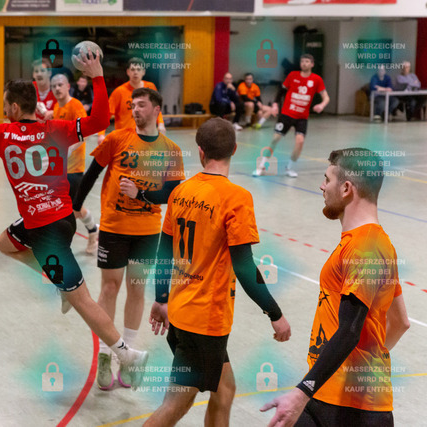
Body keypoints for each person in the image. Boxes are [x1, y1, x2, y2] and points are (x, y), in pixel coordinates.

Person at [0, 51, 149, 387]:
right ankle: (58, 281)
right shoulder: (56, 129)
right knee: (4, 243)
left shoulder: (1, 134)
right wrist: (97, 76)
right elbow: (99, 121)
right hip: (61, 219)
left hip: (44, 230)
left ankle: (127, 354)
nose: (3, 111)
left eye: (5, 105)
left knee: (83, 300)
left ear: (14, 108)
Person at [144, 118, 291, 427]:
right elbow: (245, 266)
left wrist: (161, 298)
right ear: (235, 150)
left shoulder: (180, 192)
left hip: (181, 313)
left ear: (200, 151)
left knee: (224, 391)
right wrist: (275, 313)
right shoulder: (236, 198)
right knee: (174, 406)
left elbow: (163, 253)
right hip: (205, 323)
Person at [261, 147, 410, 427]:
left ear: (346, 188)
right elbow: (400, 322)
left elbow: (350, 329)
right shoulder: (370, 243)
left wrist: (303, 390)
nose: (321, 186)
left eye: (327, 179)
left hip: (352, 409)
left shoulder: (365, 247)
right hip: (327, 394)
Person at [73, 87, 185, 390]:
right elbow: (91, 174)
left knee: (136, 289)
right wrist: (74, 207)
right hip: (114, 227)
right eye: (132, 105)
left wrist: (141, 193)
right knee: (109, 288)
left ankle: (128, 355)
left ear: (156, 109)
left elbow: (171, 193)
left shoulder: (171, 150)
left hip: (147, 231)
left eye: (141, 105)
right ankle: (106, 354)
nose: (135, 109)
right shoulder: (117, 138)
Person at [1, 73, 100, 255]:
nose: (57, 89)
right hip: (55, 170)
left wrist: (67, 150)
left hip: (73, 169)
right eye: (54, 86)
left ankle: (93, 231)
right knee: (63, 206)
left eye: (60, 85)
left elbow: (83, 133)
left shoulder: (75, 106)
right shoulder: (56, 107)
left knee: (71, 208)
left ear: (68, 86)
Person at [253, 54, 330, 178]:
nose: (304, 63)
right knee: (275, 139)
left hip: (302, 118)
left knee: (300, 141)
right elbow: (281, 91)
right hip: (286, 115)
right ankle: (261, 166)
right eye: (302, 61)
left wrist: (322, 105)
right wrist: (275, 105)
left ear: (312, 64)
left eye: (307, 61)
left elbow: (326, 97)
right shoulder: (292, 75)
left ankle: (289, 168)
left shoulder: (316, 79)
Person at [97, 57, 166, 144]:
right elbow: (106, 115)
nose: (135, 72)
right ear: (128, 72)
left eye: (138, 69)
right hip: (124, 139)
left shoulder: (150, 88)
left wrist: (161, 124)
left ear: (143, 72)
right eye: (133, 69)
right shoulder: (119, 92)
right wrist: (101, 135)